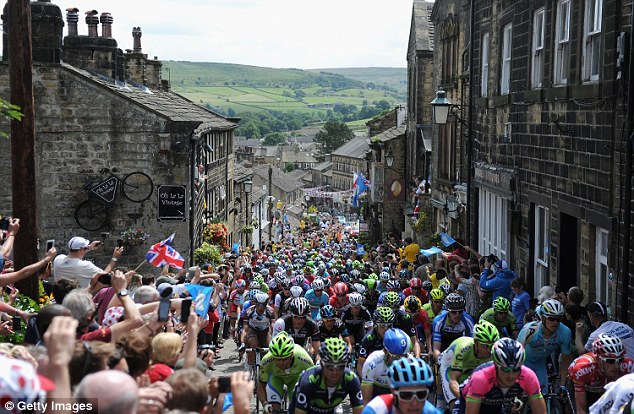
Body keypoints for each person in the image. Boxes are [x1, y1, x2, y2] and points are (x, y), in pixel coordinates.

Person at [455, 338, 546, 414]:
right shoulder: (481, 378)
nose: (511, 375)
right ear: (495, 365)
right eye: (505, 370)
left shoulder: (528, 377)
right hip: (467, 403)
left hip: (495, 406)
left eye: (515, 370)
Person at [290, 337, 364, 414]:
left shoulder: (351, 379)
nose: (335, 372)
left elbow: (359, 410)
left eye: (340, 366)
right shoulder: (309, 380)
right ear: (321, 364)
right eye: (330, 367)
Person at [438, 321, 500, 409]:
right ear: (476, 342)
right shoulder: (464, 348)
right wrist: (465, 400)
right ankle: (439, 404)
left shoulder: (493, 353)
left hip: (470, 368)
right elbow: (453, 380)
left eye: (491, 346)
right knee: (455, 404)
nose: (488, 350)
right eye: (485, 346)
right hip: (449, 366)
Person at [568, 334, 634, 414]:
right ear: (599, 359)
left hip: (605, 388)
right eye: (610, 361)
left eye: (620, 360)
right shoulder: (582, 369)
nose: (616, 366)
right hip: (585, 388)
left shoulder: (629, 365)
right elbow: (581, 410)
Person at [518, 298, 573, 391]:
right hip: (522, 363)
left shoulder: (565, 332)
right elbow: (516, 354)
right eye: (551, 319)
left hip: (540, 364)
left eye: (558, 319)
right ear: (543, 318)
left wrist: (563, 385)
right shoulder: (529, 330)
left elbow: (565, 361)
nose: (555, 322)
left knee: (543, 396)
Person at [258, 331, 314, 414]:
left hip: (295, 379)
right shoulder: (266, 360)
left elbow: (314, 383)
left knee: (298, 409)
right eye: (277, 359)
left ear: (291, 355)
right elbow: (261, 387)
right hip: (276, 379)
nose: (281, 363)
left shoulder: (302, 357)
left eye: (284, 359)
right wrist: (265, 405)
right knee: (272, 410)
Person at [362, 356, 441, 414]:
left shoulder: (430, 411)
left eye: (421, 394)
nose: (414, 403)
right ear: (393, 393)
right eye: (406, 395)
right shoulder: (376, 410)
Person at [361, 328, 411, 404]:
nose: (400, 360)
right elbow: (366, 402)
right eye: (396, 356)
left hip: (400, 390)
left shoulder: (411, 361)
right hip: (377, 392)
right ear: (385, 351)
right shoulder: (372, 361)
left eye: (404, 356)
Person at [53, 236, 123, 288]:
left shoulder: (58, 259)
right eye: (85, 248)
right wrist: (114, 258)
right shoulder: (84, 265)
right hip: (79, 302)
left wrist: (89, 247)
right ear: (81, 250)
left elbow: (76, 253)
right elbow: (104, 275)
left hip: (60, 299)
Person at [432, 293, 475, 363]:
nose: (457, 315)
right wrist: (440, 362)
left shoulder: (468, 320)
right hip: (443, 341)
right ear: (447, 310)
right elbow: (436, 348)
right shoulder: (438, 321)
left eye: (460, 312)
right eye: (454, 312)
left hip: (460, 342)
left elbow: (473, 344)